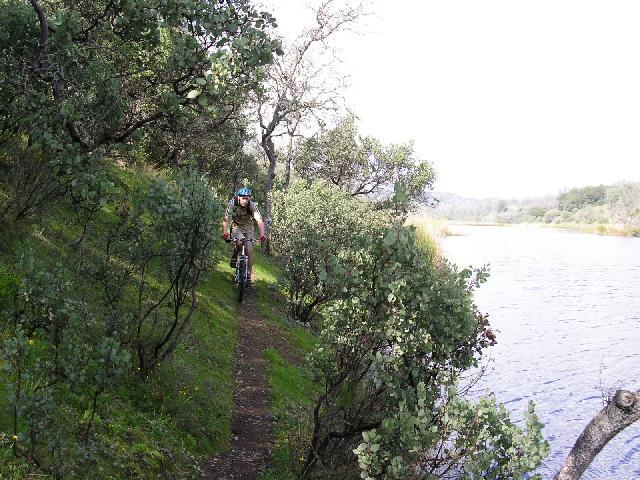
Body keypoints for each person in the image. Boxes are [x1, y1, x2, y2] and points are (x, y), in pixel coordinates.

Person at [222, 187, 266, 285]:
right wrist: (225, 232)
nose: (245, 200)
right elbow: (226, 219)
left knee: (249, 250)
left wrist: (262, 234)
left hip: (249, 228)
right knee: (239, 242)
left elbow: (259, 220)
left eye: (247, 198)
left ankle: (249, 276)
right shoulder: (233, 203)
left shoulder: (252, 205)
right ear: (238, 197)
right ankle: (234, 255)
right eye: (243, 198)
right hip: (236, 226)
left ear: (249, 198)